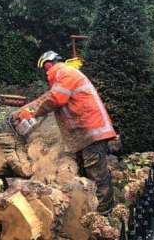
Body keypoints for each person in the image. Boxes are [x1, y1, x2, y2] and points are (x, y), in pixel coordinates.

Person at [14, 50, 116, 213]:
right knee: (85, 171)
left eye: (45, 69)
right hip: (86, 131)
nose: (46, 73)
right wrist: (26, 109)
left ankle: (104, 212)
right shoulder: (65, 75)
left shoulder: (64, 73)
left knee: (96, 172)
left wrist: (32, 113)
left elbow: (55, 99)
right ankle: (89, 208)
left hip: (91, 130)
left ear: (47, 64)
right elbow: (48, 98)